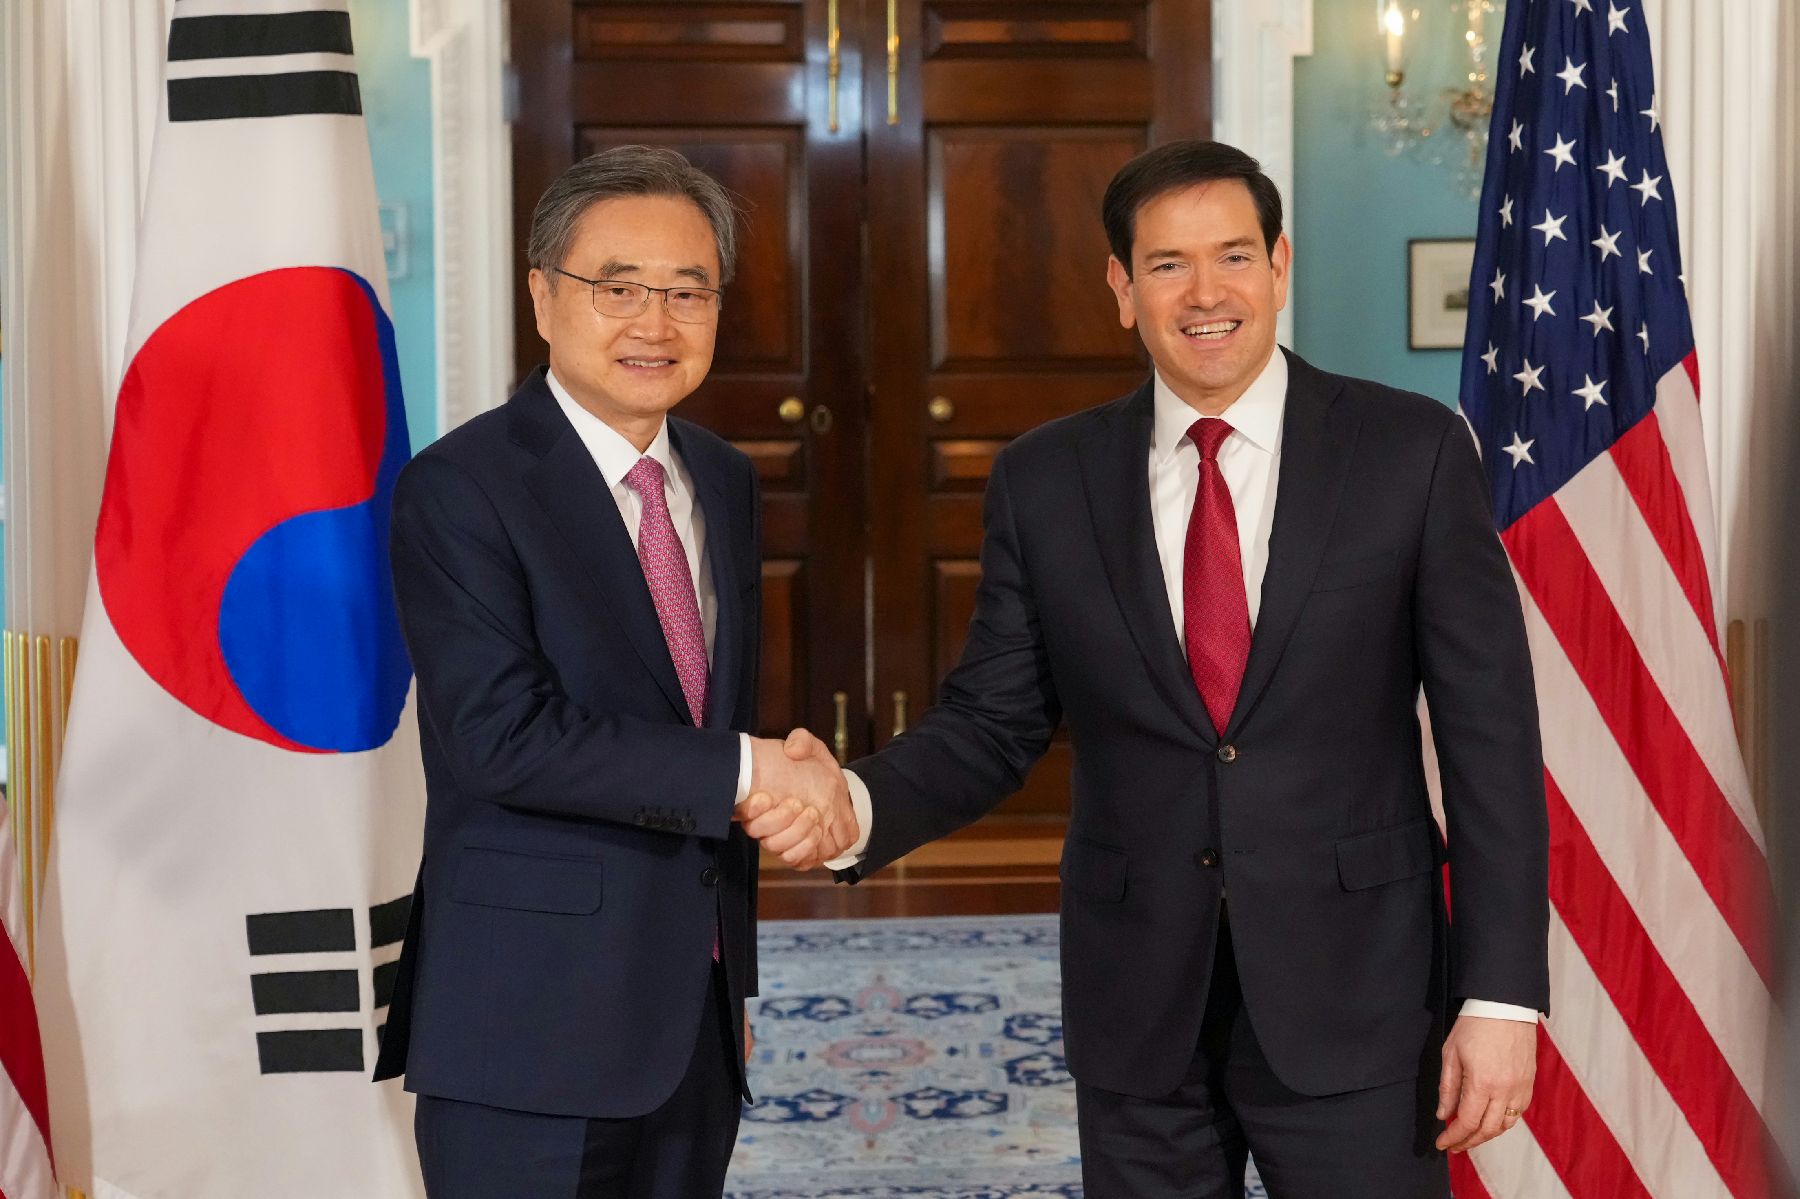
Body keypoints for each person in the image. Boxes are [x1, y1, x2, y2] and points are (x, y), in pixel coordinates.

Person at [743, 139, 1550, 1197]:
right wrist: (852, 803)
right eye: (1168, 263)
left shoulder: (1411, 451)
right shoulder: (1046, 478)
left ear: (1279, 266)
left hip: (1358, 987)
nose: (1205, 292)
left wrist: (1499, 997)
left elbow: (1491, 738)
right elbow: (993, 719)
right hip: (1140, 1001)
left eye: (1233, 256)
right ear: (1123, 289)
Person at [374, 145, 854, 1199]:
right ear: (543, 296)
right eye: (619, 287)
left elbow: (697, 710)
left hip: (692, 1005)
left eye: (689, 291)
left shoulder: (722, 480)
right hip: (530, 1019)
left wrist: (785, 794)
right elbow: (503, 735)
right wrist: (752, 772)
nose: (657, 322)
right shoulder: (461, 487)